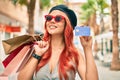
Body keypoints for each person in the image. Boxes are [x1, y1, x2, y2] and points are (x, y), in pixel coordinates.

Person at [18, 4, 98, 80]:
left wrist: (87, 48)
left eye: (58, 18)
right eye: (49, 18)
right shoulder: (37, 48)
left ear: (67, 25)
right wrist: (37, 55)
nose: (52, 21)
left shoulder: (75, 54)